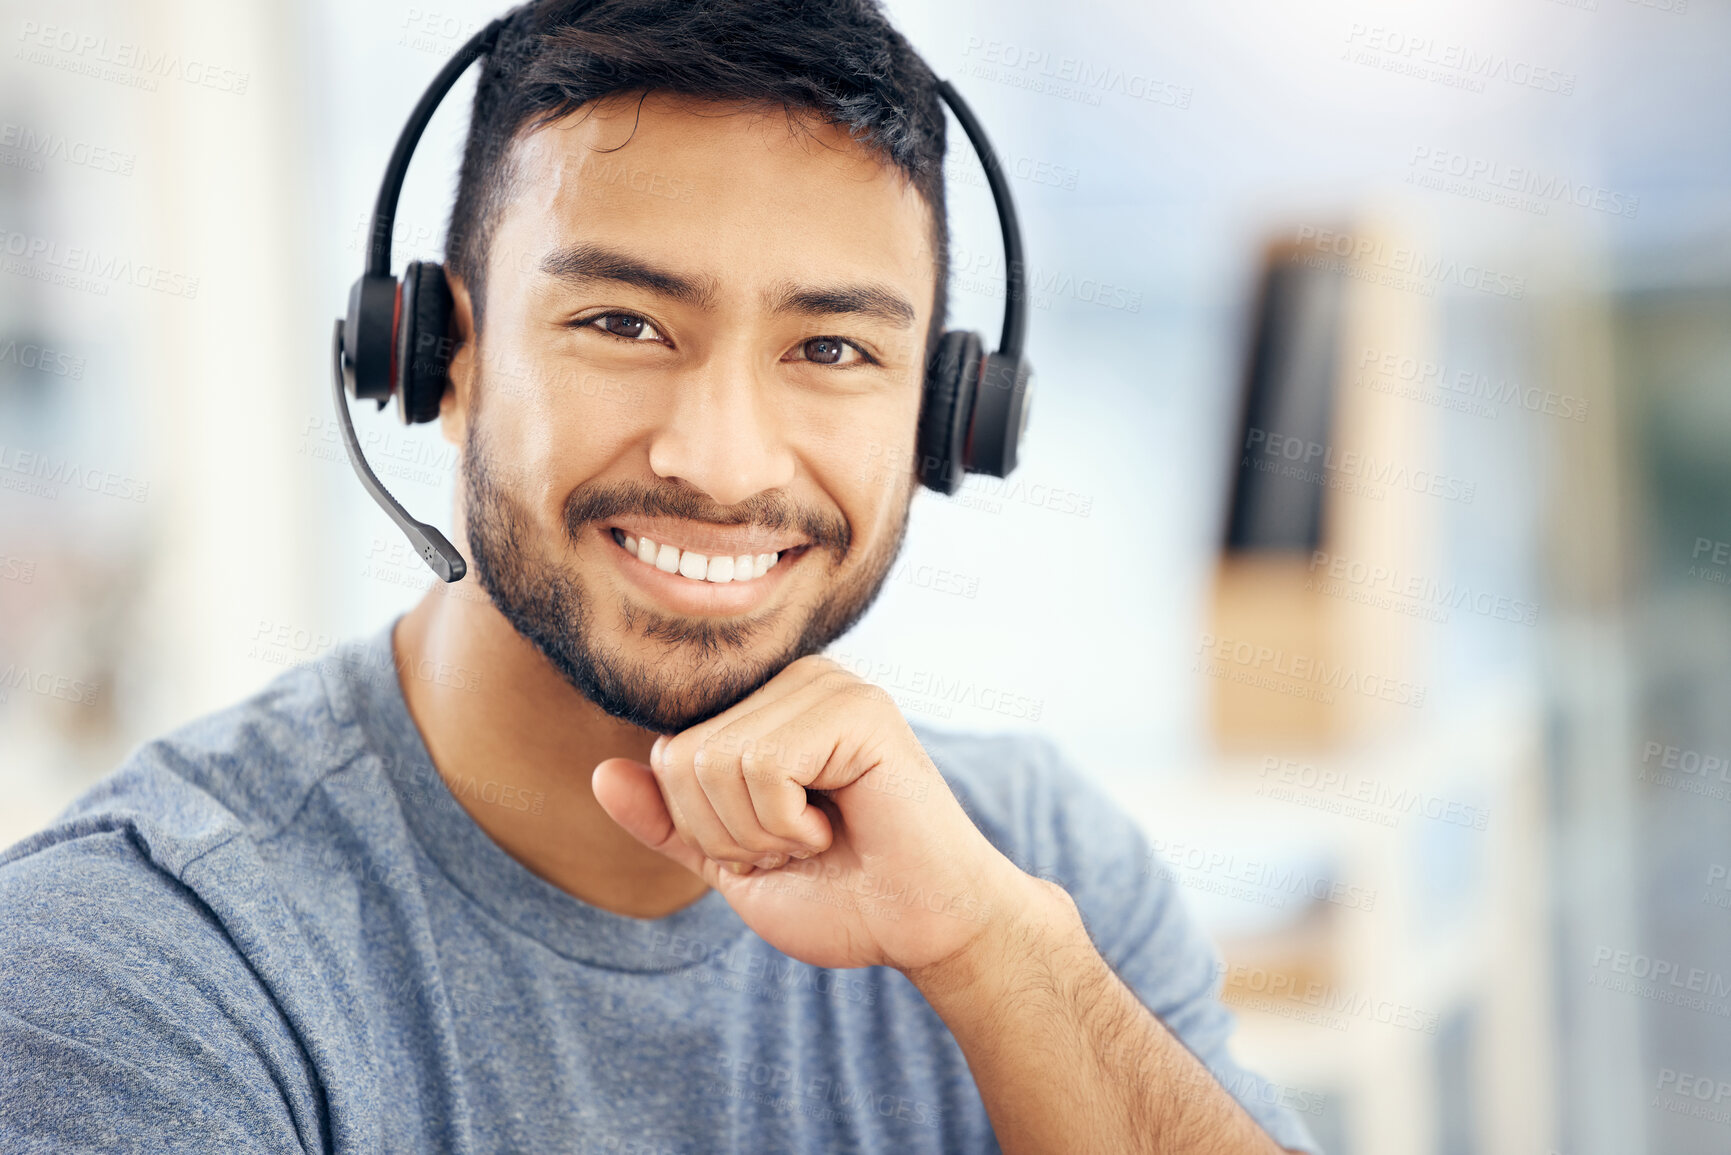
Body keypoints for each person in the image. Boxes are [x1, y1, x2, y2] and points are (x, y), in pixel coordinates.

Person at [0, 2, 1322, 1151]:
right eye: (623, 324)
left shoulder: (1031, 866)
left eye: (833, 349)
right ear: (439, 361)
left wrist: (991, 959)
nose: (720, 460)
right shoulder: (136, 964)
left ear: (944, 420)